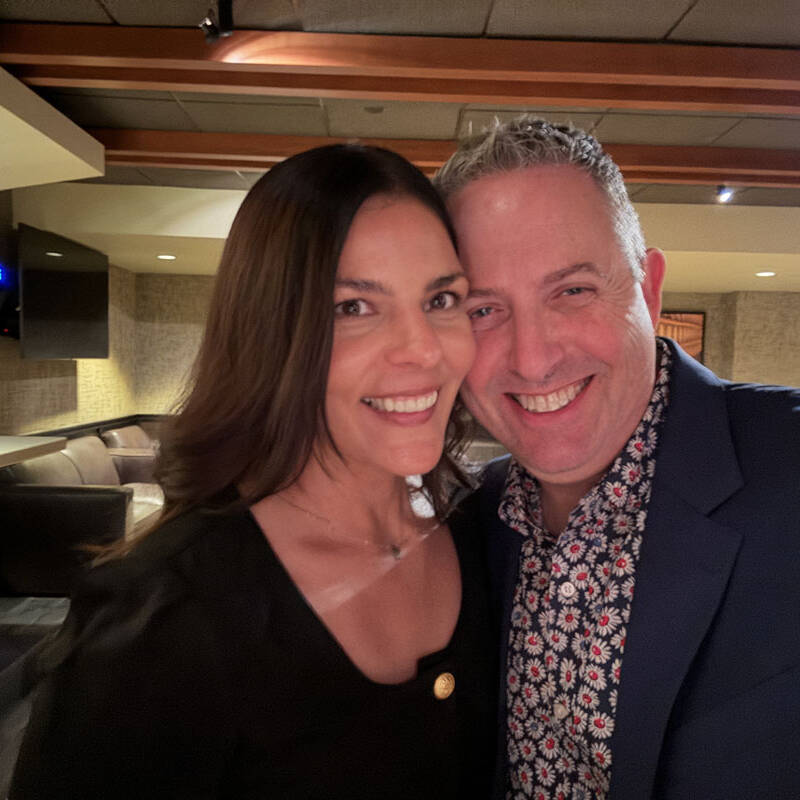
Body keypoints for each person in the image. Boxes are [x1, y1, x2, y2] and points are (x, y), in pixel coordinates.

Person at [10, 144, 496, 799]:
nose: (424, 348)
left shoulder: (485, 533)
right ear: (271, 333)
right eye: (352, 307)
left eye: (443, 298)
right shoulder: (164, 620)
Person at [434, 116, 800, 799]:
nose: (533, 358)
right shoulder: (463, 524)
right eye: (484, 310)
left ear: (648, 289)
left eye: (572, 291)